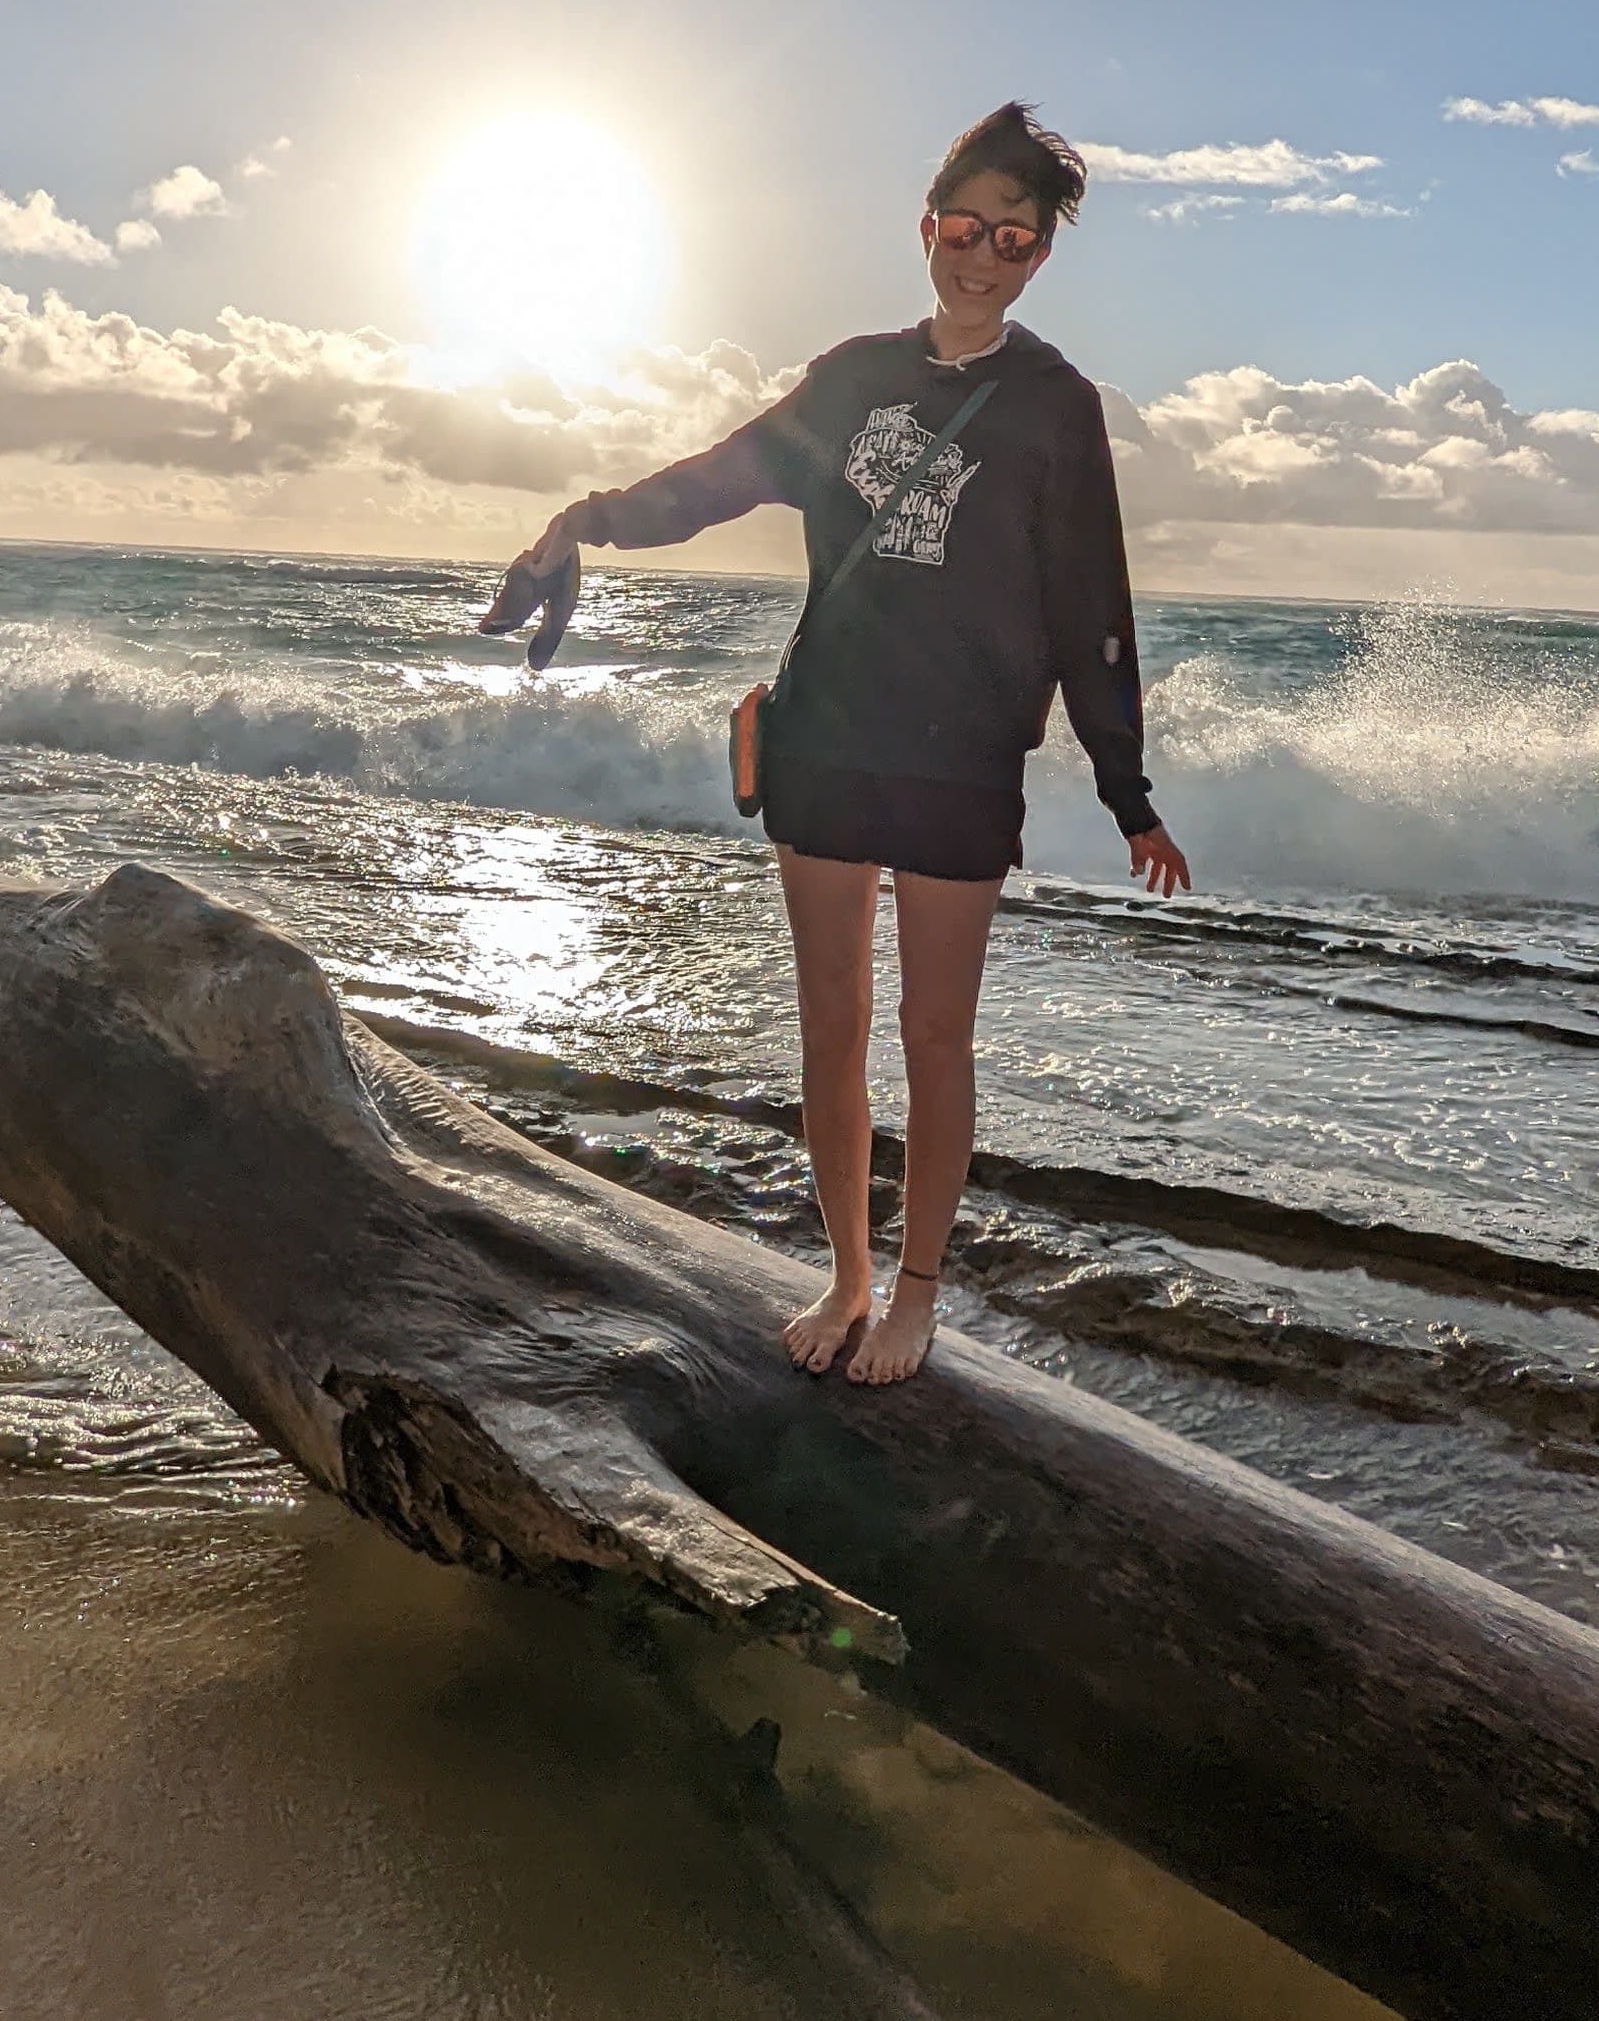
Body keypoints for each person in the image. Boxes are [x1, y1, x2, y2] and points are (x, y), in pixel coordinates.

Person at [485, 100, 1189, 1386]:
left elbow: (1093, 605)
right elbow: (724, 474)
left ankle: (918, 1292)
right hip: (829, 738)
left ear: (1041, 258)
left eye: (1015, 240)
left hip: (964, 761)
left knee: (934, 1037)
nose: (982, 257)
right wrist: (586, 518)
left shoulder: (1055, 407)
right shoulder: (855, 376)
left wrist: (1125, 786)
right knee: (829, 1026)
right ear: (928, 227)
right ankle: (849, 1274)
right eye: (965, 227)